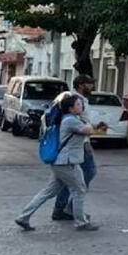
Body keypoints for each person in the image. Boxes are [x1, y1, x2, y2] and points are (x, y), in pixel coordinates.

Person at [15, 94, 100, 231]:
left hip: (61, 162)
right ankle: (81, 222)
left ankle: (23, 217)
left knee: (48, 191)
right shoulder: (70, 120)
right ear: (71, 108)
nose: (81, 106)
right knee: (79, 189)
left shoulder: (68, 119)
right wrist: (87, 120)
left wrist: (83, 119)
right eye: (78, 104)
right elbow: (89, 131)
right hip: (67, 162)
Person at [52, 75, 103, 221]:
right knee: (87, 173)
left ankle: (63, 207)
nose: (92, 87)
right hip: (79, 143)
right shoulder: (75, 100)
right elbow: (79, 121)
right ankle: (68, 208)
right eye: (90, 84)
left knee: (66, 179)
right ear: (81, 85)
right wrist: (90, 128)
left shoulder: (79, 99)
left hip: (80, 142)